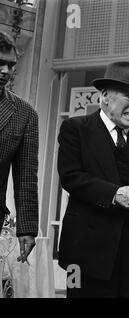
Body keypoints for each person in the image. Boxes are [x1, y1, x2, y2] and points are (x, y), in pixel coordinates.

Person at [57, 61, 129, 298]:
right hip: (84, 256)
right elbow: (71, 177)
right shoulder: (75, 128)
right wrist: (115, 194)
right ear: (105, 96)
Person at [0, 31, 38, 264]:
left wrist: (27, 227)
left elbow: (26, 176)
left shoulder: (25, 114)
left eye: (10, 65)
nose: (5, 71)